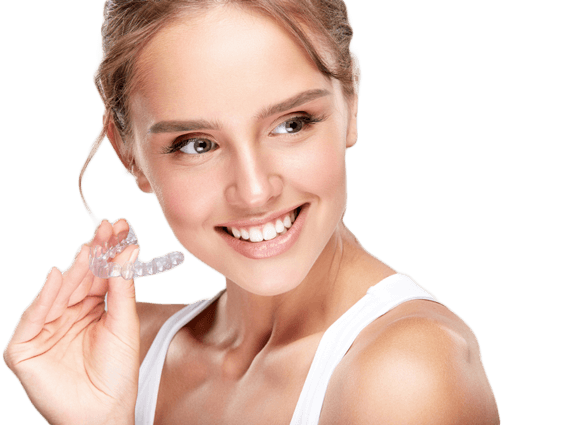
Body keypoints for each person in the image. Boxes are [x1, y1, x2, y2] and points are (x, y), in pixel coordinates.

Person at [4, 1, 500, 424]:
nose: (256, 191)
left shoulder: (407, 371)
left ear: (351, 104)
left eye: (291, 124)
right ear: (129, 155)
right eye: (197, 144)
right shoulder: (119, 357)